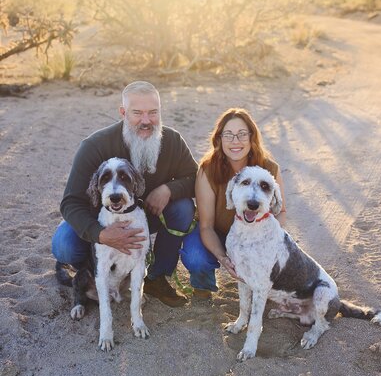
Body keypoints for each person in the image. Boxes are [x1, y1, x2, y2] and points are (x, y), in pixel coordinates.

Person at [52, 81, 198, 307]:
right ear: (123, 112)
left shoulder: (173, 141)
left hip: (147, 216)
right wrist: (100, 234)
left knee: (183, 208)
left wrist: (168, 189)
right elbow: (71, 203)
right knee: (64, 246)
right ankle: (92, 274)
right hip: (101, 220)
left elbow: (194, 177)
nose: (146, 121)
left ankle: (156, 277)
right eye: (137, 113)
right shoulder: (95, 145)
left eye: (153, 113)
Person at [180, 107, 286, 297]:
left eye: (242, 134)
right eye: (228, 135)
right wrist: (223, 258)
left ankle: (263, 287)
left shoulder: (269, 168)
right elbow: (206, 227)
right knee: (195, 256)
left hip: (256, 234)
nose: (235, 141)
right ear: (219, 139)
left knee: (277, 259)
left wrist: (267, 242)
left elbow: (281, 211)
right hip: (218, 231)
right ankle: (203, 285)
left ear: (252, 137)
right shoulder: (207, 170)